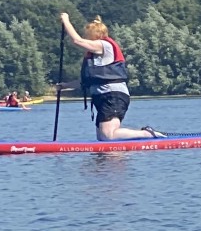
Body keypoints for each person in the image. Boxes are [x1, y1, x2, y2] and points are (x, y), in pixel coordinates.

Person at [60, 12, 161, 141]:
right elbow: (87, 81)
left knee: (109, 136)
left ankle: (147, 134)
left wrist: (66, 21)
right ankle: (115, 157)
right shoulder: (95, 56)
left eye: (87, 35)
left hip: (113, 96)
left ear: (95, 35)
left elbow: (76, 40)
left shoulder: (103, 45)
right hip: (103, 97)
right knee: (102, 138)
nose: (86, 38)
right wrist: (65, 86)